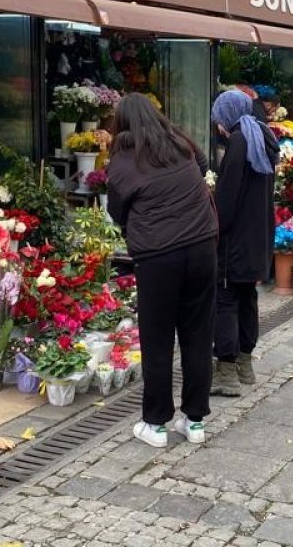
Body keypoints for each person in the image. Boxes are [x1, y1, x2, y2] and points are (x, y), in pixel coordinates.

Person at [107, 93, 218, 448]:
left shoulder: (123, 160)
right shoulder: (180, 142)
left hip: (158, 256)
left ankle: (155, 424)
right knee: (198, 334)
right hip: (202, 246)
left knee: (158, 339)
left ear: (121, 123)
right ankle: (195, 421)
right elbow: (203, 165)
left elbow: (116, 210)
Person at [208, 90, 279, 398]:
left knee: (226, 299)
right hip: (258, 236)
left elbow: (227, 197)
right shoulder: (262, 136)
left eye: (219, 119)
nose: (218, 127)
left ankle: (226, 373)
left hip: (235, 240)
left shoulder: (239, 142)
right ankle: (244, 365)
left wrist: (213, 227)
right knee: (247, 296)